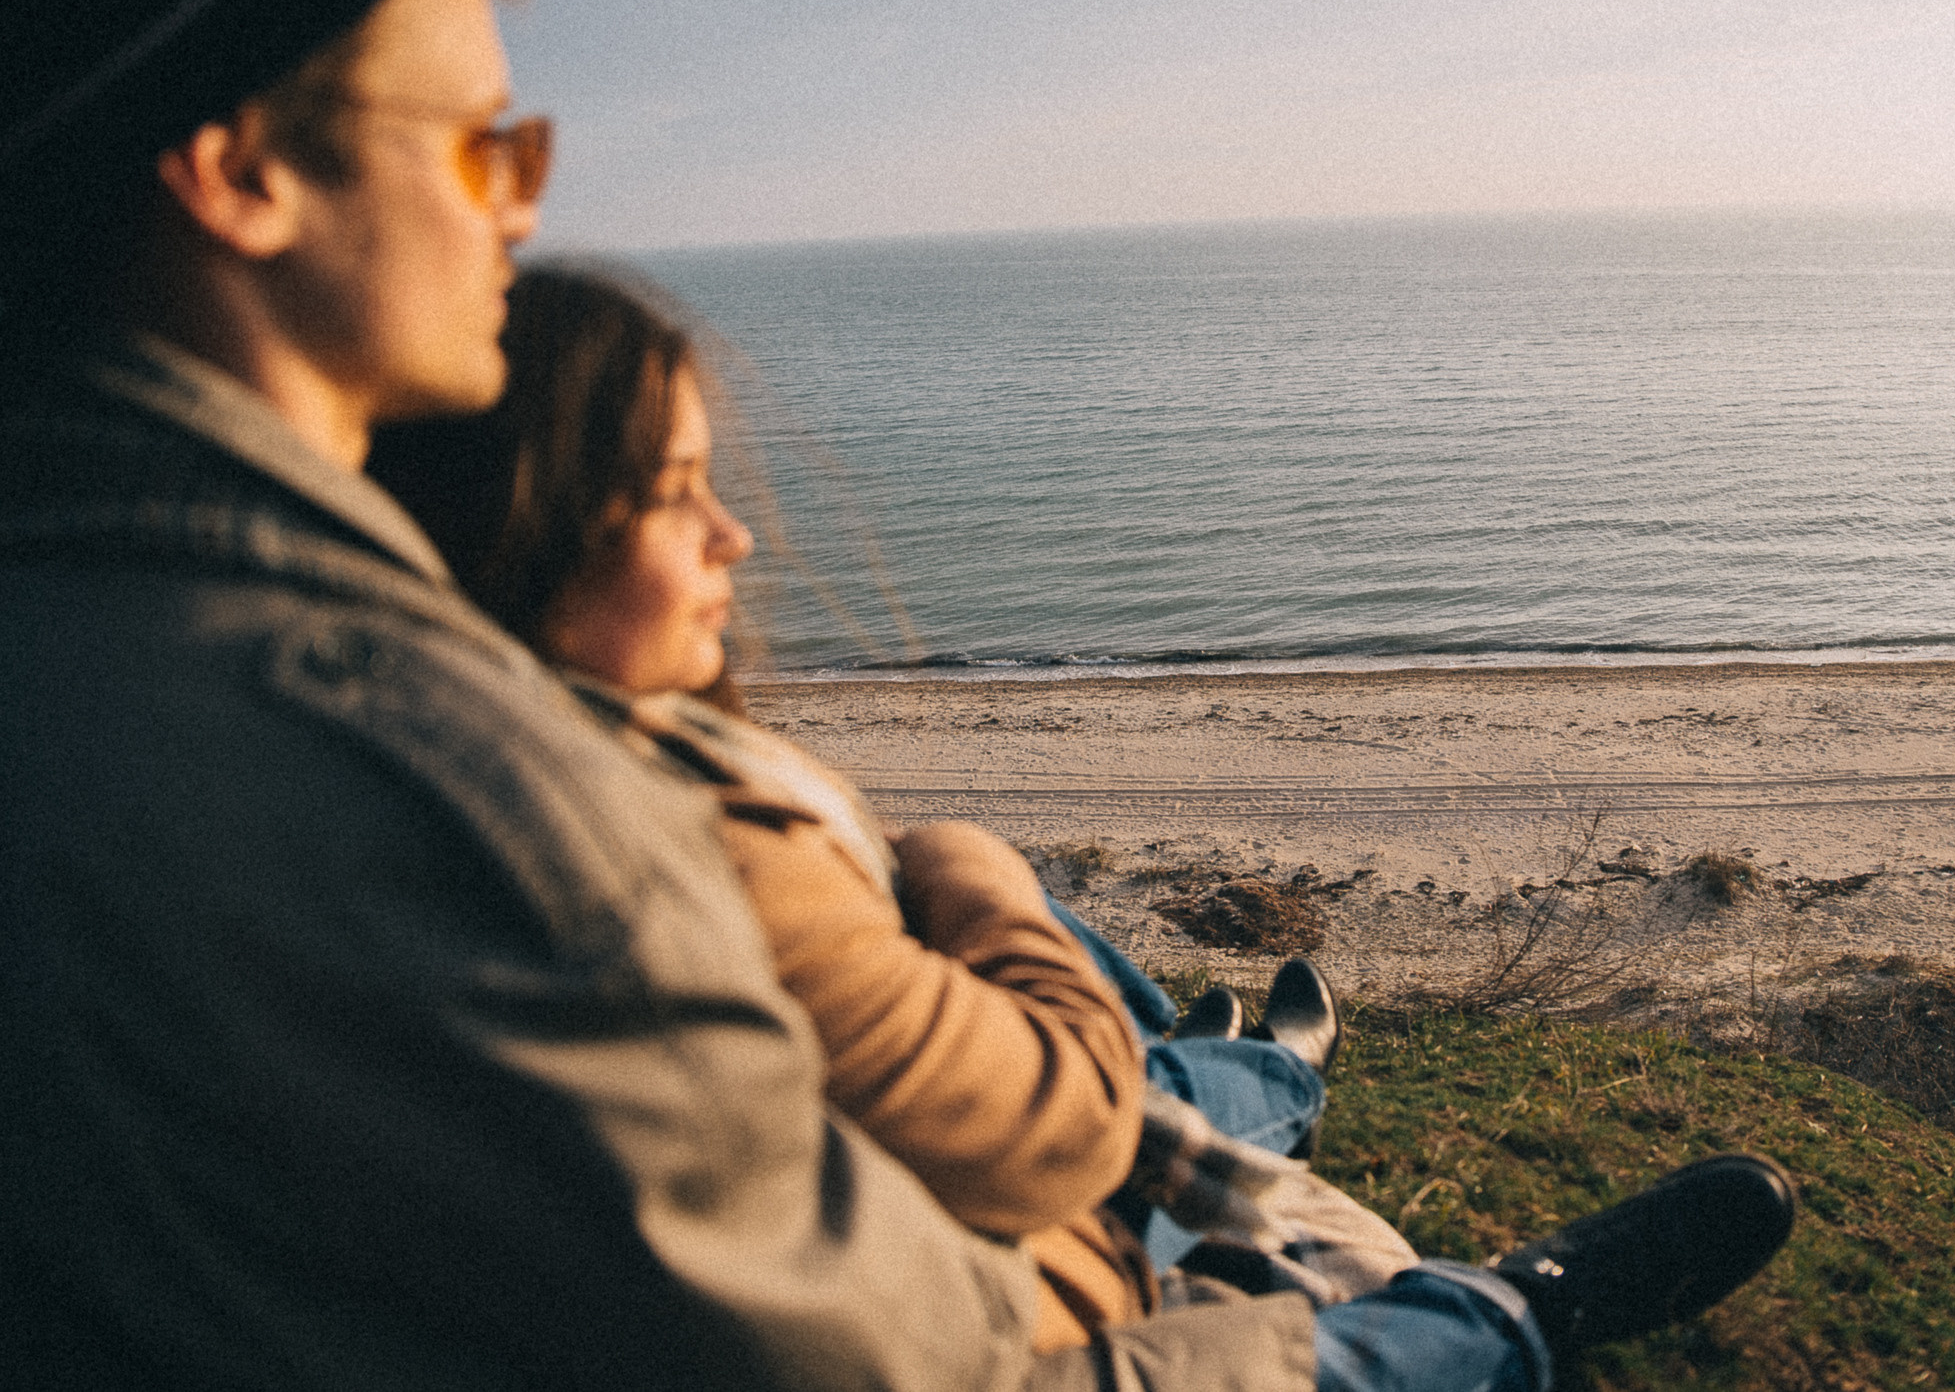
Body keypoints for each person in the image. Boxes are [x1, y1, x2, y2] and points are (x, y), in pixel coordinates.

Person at [0, 0, 1795, 1388]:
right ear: (241, 168)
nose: (520, 212)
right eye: (483, 145)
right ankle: (1508, 1311)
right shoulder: (440, 777)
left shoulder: (98, 653)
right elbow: (908, 1358)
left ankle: (1248, 1101)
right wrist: (1106, 1225)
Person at [369, 260, 1353, 1343]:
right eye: (674, 488)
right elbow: (1071, 1125)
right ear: (525, 532)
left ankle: (1187, 1049)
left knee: (1025, 935)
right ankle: (1272, 1073)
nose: (733, 534)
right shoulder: (669, 841)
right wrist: (970, 865)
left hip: (953, 1168)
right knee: (1443, 1302)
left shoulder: (522, 758)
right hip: (1023, 1256)